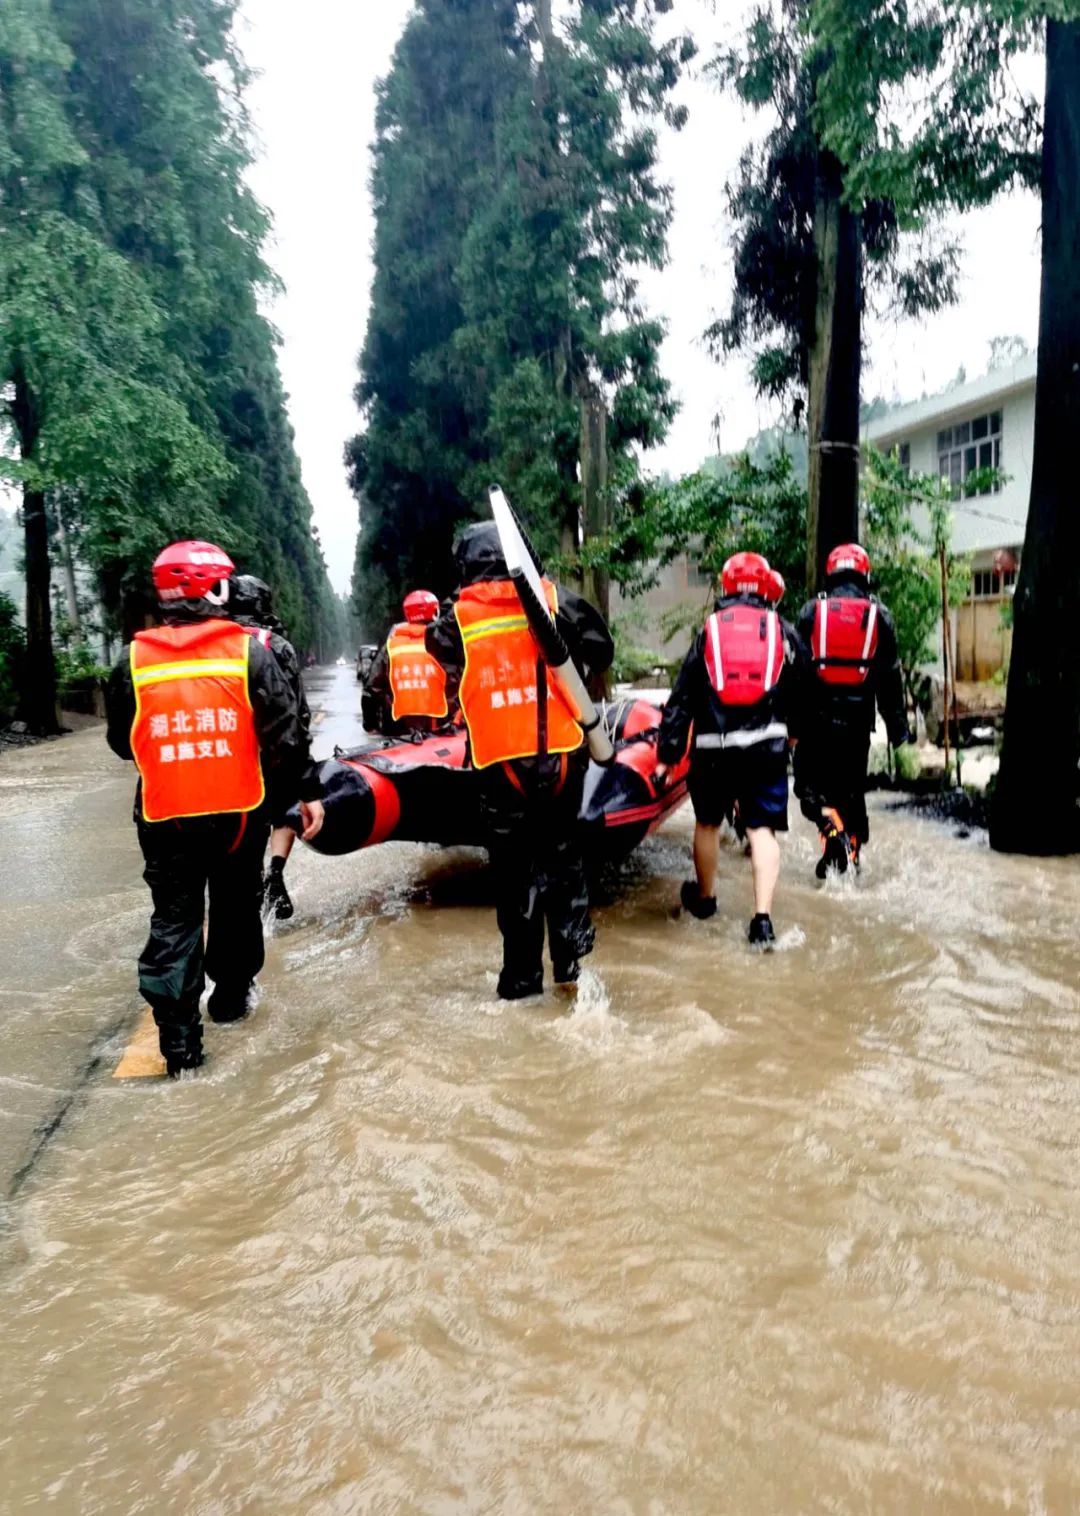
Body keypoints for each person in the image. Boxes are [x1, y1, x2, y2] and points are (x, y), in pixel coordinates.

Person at [106, 541, 324, 1077]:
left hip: (164, 816)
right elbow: (284, 736)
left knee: (175, 919)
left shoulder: (131, 661)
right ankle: (229, 1002)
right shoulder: (250, 652)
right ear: (217, 590)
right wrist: (304, 792)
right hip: (237, 813)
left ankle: (180, 1052)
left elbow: (121, 742)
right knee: (233, 905)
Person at [426, 522, 614, 998]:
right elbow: (601, 646)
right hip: (562, 759)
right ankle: (571, 974)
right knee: (564, 861)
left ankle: (521, 983)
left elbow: (437, 646)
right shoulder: (554, 599)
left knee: (515, 876)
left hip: (499, 767)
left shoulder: (456, 619)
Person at [654, 551, 806, 949]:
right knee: (761, 830)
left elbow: (682, 697)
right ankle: (762, 921)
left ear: (726, 587)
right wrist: (793, 736)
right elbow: (804, 689)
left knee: (707, 823)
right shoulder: (782, 629)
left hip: (713, 748)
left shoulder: (709, 631)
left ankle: (704, 902)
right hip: (765, 749)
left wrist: (667, 755)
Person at [795, 542, 910, 877]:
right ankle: (852, 853)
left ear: (830, 574)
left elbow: (796, 670)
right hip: (859, 725)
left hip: (816, 722)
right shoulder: (880, 615)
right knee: (851, 791)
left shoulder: (811, 612)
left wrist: (790, 722)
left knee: (810, 791)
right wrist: (898, 728)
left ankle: (833, 834)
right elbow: (891, 677)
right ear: (865, 574)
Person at [230, 573, 316, 921]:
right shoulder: (276, 645)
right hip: (272, 751)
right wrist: (303, 767)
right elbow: (298, 709)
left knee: (241, 831)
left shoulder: (212, 644)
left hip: (227, 758)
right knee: (284, 810)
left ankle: (244, 889)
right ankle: (275, 871)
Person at [361, 590, 453, 737]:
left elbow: (371, 688)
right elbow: (457, 681)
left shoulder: (391, 646)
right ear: (434, 611)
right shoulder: (442, 642)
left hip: (398, 731)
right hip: (438, 728)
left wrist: (370, 724)